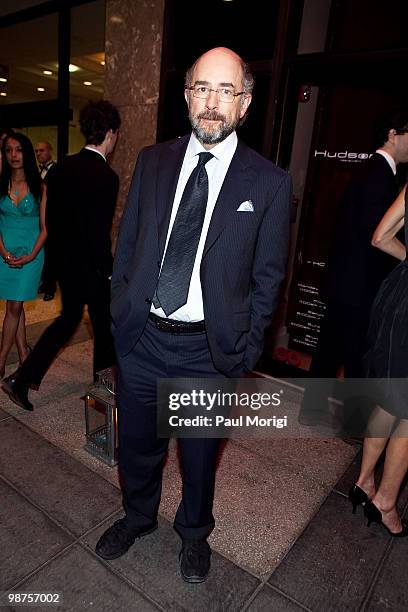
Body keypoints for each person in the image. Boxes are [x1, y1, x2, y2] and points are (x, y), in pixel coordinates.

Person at [94, 47, 292, 583]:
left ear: (244, 104)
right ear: (187, 96)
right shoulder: (153, 161)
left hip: (208, 351)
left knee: (199, 460)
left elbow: (269, 278)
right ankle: (137, 519)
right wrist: (120, 315)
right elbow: (130, 241)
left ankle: (194, 534)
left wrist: (243, 353)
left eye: (226, 91)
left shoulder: (269, 183)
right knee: (136, 447)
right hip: (142, 340)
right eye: (203, 88)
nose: (212, 103)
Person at [1, 100, 120, 411]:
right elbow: (98, 232)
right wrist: (107, 271)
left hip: (66, 264)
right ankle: (104, 395)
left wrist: (52, 270)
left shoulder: (61, 168)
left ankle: (21, 379)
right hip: (92, 268)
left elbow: (50, 223)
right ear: (110, 133)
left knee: (69, 321)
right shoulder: (106, 177)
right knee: (102, 326)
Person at [299, 110, 408, 429]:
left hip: (344, 280)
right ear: (392, 134)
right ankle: (355, 424)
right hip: (359, 284)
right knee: (356, 353)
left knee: (329, 349)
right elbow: (377, 235)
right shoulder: (379, 174)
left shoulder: (369, 170)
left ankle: (313, 410)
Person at [349, 185, 408, 537]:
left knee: (390, 398)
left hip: (396, 297)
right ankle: (386, 502)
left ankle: (363, 482)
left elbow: (381, 237)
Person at [0, 132, 47, 378]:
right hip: (4, 254)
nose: (14, 155)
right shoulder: (0, 184)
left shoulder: (40, 186)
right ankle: (23, 355)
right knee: (14, 305)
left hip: (31, 254)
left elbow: (46, 227)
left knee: (14, 306)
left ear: (26, 153)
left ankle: (0, 361)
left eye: (18, 149)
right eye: (9, 150)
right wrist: (4, 252)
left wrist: (31, 255)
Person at [35, 141, 58, 301]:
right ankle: (45, 283)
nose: (38, 154)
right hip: (39, 217)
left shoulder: (56, 170)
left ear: (50, 151)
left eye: (41, 150)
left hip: (52, 218)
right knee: (43, 252)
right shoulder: (37, 171)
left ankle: (51, 287)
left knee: (51, 253)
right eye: (36, 151)